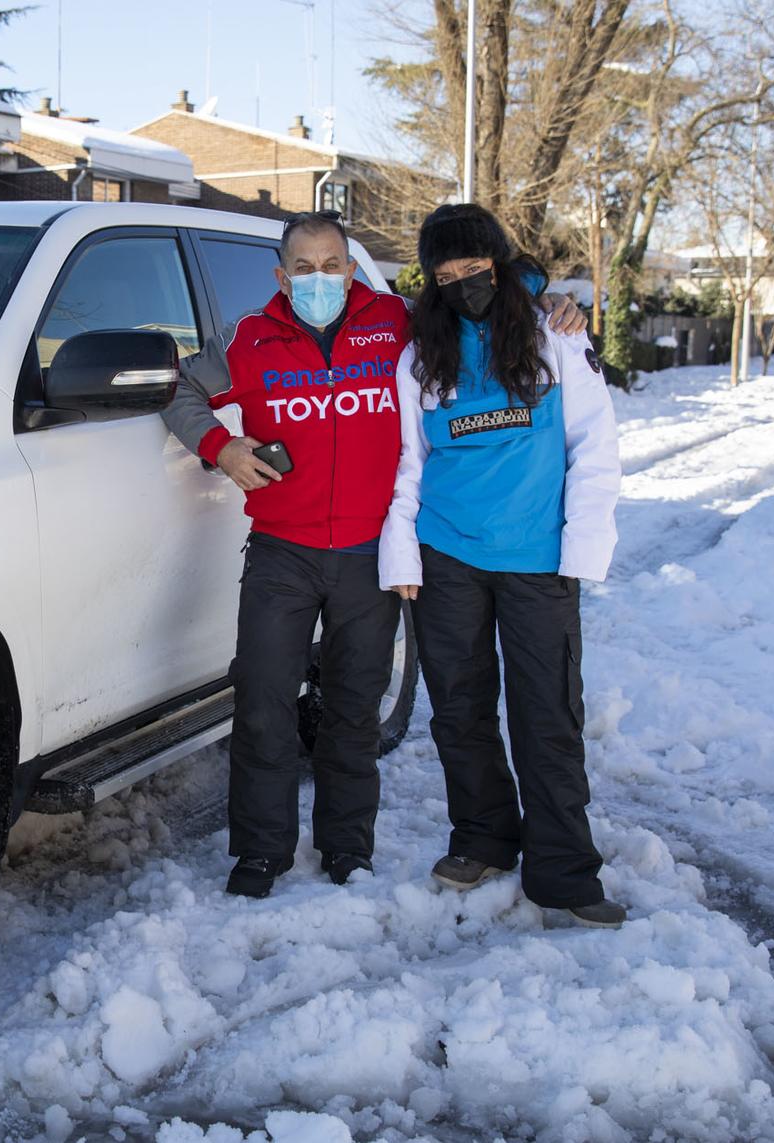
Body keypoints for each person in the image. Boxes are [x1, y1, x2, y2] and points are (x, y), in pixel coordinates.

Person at [161, 211, 585, 899]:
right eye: (304, 267)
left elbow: (478, 295)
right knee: (265, 700)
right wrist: (222, 446)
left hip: (368, 551)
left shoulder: (396, 324)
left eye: (333, 264)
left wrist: (553, 299)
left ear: (352, 269)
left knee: (353, 708)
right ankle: (261, 850)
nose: (319, 277)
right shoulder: (251, 337)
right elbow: (180, 387)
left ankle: (346, 847)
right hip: (282, 550)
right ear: (282, 274)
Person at [376, 202, 625, 927]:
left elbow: (594, 446)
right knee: (460, 707)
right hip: (447, 553)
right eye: (444, 274)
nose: (460, 283)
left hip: (536, 558)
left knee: (547, 713)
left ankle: (565, 871)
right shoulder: (420, 355)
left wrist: (580, 549)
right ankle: (483, 836)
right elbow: (407, 463)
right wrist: (403, 551)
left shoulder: (553, 336)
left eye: (473, 268)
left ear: (499, 262)